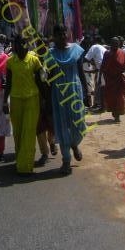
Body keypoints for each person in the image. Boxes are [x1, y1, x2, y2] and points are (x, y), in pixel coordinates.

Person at [46, 25, 88, 175]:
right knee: (62, 126)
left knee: (79, 123)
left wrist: (87, 92)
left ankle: (74, 144)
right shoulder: (50, 54)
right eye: (59, 34)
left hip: (75, 92)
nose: (63, 36)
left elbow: (82, 72)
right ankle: (66, 160)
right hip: (58, 94)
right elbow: (48, 78)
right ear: (54, 36)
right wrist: (47, 100)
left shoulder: (76, 49)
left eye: (64, 32)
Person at [4, 35, 44, 175]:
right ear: (14, 45)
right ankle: (20, 158)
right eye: (18, 43)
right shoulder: (10, 62)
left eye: (23, 43)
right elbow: (8, 83)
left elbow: (40, 82)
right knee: (18, 132)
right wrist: (4, 101)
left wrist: (44, 100)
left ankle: (25, 165)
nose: (21, 46)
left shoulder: (34, 60)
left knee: (29, 131)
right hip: (15, 100)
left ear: (27, 44)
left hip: (32, 99)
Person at [100, 37, 125, 122]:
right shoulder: (107, 54)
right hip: (110, 80)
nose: (115, 45)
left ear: (119, 44)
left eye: (117, 43)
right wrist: (100, 77)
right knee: (112, 98)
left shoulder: (122, 53)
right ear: (111, 44)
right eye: (113, 43)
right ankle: (115, 113)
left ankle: (118, 115)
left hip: (119, 79)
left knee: (120, 97)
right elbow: (103, 66)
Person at [85, 38, 106, 111]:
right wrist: (90, 70)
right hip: (104, 69)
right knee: (99, 86)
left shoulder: (93, 47)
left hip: (101, 70)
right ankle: (97, 104)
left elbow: (86, 59)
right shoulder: (102, 47)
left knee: (100, 87)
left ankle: (101, 106)